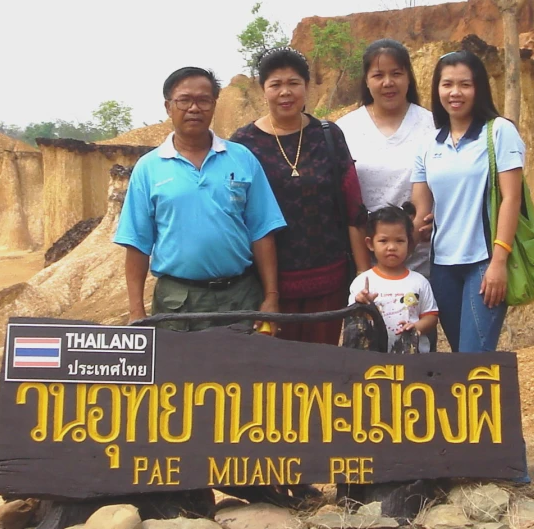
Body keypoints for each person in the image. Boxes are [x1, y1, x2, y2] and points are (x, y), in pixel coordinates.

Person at [113, 66, 286, 332]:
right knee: (180, 373)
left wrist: (271, 297)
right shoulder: (148, 168)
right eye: (184, 100)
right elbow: (137, 243)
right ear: (168, 106)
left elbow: (262, 231)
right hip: (177, 303)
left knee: (242, 372)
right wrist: (136, 310)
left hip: (240, 297)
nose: (194, 108)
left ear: (214, 104)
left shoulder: (242, 158)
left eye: (203, 100)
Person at [230, 46, 370, 346]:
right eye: (275, 84)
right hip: (269, 286)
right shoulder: (243, 144)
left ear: (307, 87)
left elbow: (352, 205)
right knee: (277, 375)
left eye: (293, 83)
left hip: (330, 281)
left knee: (324, 368)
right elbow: (235, 215)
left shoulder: (329, 135)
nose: (285, 92)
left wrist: (362, 273)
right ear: (262, 90)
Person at [411, 50, 525, 353]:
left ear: (479, 89)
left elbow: (512, 198)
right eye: (447, 84)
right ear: (437, 89)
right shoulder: (427, 144)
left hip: (484, 262)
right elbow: (421, 208)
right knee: (462, 359)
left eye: (465, 84)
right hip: (442, 266)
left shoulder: (499, 131)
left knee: (474, 359)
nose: (455, 93)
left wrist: (499, 261)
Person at [336, 39, 435, 278]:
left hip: (422, 263)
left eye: (396, 73)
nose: (388, 83)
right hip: (364, 265)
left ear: (409, 77)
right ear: (367, 81)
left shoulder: (433, 126)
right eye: (378, 75)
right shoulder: (344, 130)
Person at [350, 204, 438, 353]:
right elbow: (352, 318)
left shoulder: (419, 282)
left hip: (413, 357)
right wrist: (361, 303)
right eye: (383, 241)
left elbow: (431, 316)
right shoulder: (363, 282)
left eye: (399, 241)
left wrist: (417, 327)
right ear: (370, 244)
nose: (391, 247)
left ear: (409, 243)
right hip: (373, 358)